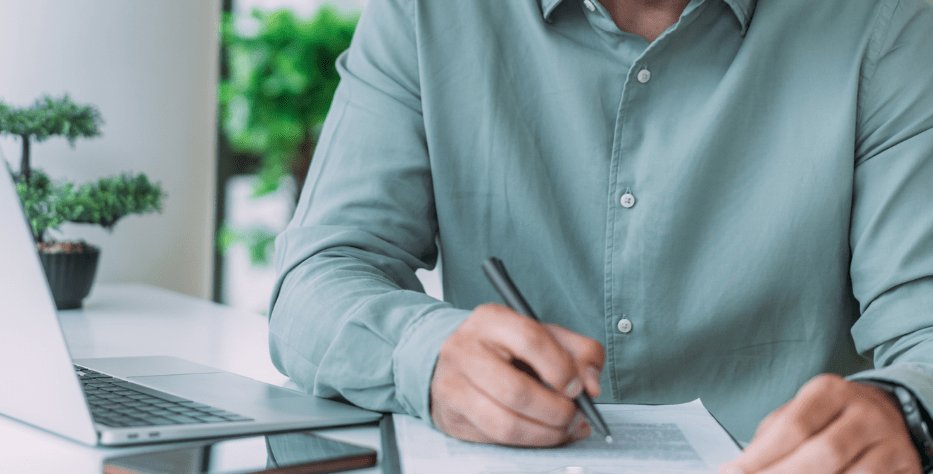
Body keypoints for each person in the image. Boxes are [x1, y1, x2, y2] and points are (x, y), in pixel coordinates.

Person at [268, 0, 933, 472]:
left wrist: (901, 412)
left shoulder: (887, 20)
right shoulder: (428, 12)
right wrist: (428, 354)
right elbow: (316, 278)